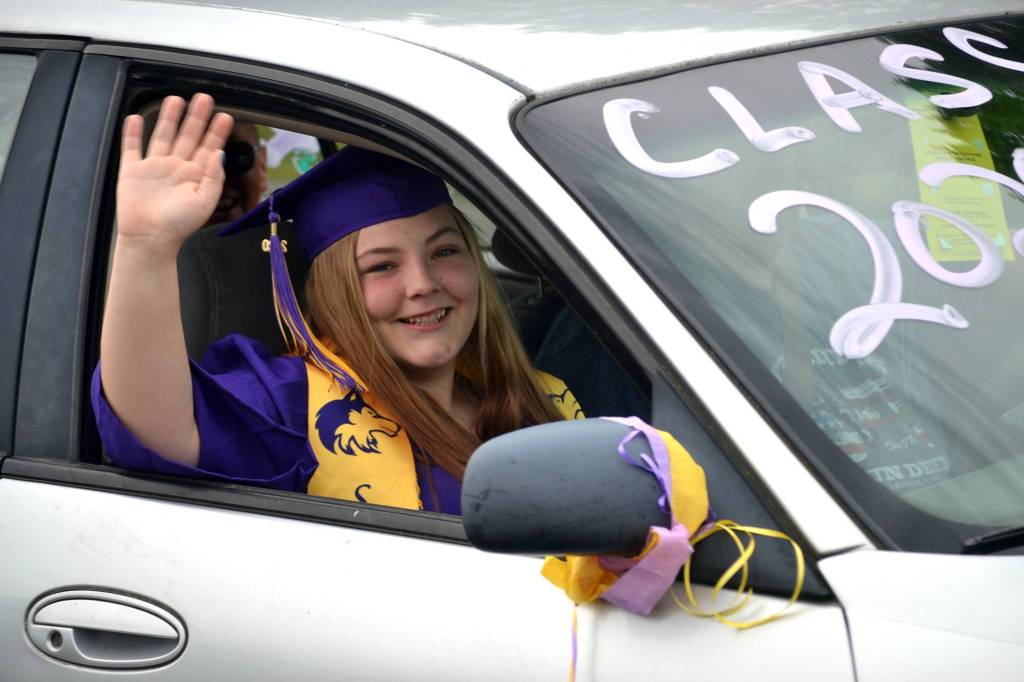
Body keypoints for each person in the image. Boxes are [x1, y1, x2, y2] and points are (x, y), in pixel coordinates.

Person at [93, 93, 580, 514]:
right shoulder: (291, 403)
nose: (423, 283)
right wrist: (146, 250)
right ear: (335, 292)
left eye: (445, 252)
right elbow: (156, 429)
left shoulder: (541, 397)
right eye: (381, 266)